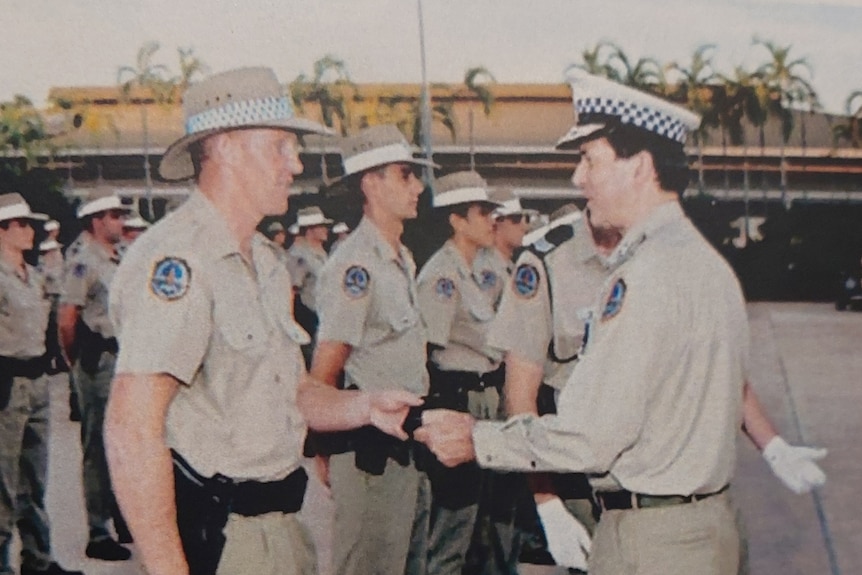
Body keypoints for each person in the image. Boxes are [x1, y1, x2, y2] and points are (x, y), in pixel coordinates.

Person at [417, 69, 752, 575]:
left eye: (589, 159)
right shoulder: (706, 264)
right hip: (707, 527)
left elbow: (593, 436)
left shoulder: (643, 277)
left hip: (653, 544)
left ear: (639, 166)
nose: (578, 178)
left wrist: (478, 439)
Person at [104, 67, 421, 575]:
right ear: (225, 147)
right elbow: (131, 431)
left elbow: (293, 392)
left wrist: (365, 407)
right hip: (222, 539)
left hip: (282, 531)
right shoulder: (179, 262)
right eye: (280, 146)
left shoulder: (267, 263)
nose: (295, 164)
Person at [310, 124, 435, 575]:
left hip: (406, 450)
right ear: (371, 182)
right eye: (405, 174)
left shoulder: (400, 257)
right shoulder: (354, 267)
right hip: (369, 457)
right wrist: (325, 451)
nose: (418, 186)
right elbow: (325, 372)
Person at [415, 171, 506, 575]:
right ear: (456, 220)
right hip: (459, 396)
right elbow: (427, 351)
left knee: (484, 522)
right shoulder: (442, 276)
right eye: (482, 212)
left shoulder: (479, 269)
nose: (492, 220)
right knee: (455, 522)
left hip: (487, 396)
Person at [0, 194, 83, 575]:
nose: (31, 231)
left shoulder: (31, 275)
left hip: (37, 381)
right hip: (6, 382)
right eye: (22, 225)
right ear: (3, 230)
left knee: (34, 477)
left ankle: (38, 558)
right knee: (3, 479)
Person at [57, 187, 132, 562]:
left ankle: (122, 516)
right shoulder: (83, 260)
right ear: (97, 220)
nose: (121, 222)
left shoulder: (116, 257)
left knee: (122, 444)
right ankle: (98, 531)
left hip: (121, 359)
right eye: (115, 216)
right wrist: (77, 364)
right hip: (97, 360)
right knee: (98, 449)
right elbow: (67, 319)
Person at [463, 187, 535, 575]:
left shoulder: (511, 266)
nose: (523, 225)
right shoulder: (487, 269)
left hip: (507, 390)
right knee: (483, 511)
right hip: (486, 390)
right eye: (517, 219)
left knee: (507, 504)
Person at [286, 206, 332, 367]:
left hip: (324, 316)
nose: (326, 230)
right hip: (309, 318)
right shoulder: (299, 254)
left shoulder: (321, 252)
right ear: (310, 230)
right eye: (321, 226)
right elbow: (291, 290)